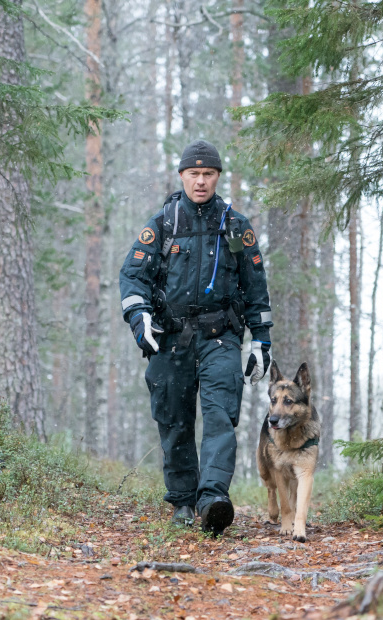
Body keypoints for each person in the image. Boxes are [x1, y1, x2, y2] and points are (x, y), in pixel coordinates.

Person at [119, 140, 274, 535]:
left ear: (218, 177)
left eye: (208, 174)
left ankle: (213, 500)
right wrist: (140, 320)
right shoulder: (163, 224)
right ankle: (183, 502)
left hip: (221, 336)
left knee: (221, 414)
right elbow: (132, 277)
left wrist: (261, 340)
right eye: (194, 174)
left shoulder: (235, 226)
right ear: (182, 176)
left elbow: (255, 284)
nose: (201, 181)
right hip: (170, 338)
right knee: (174, 419)